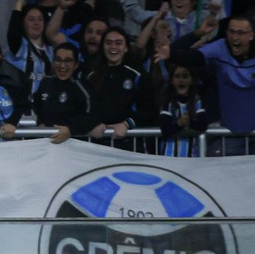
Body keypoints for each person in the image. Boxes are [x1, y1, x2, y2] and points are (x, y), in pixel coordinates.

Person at [166, 13, 255, 156]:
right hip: (229, 135)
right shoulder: (219, 49)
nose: (235, 37)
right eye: (231, 32)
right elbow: (174, 53)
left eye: (241, 33)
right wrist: (198, 33)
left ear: (252, 35)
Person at [86, 26, 155, 150]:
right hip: (98, 146)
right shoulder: (91, 76)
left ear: (126, 48)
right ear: (102, 46)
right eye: (108, 43)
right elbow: (85, 107)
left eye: (118, 43)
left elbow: (149, 109)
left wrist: (126, 124)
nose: (113, 47)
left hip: (130, 144)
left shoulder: (138, 75)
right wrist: (93, 123)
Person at [32, 42, 99, 143]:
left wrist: (71, 130)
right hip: (47, 146)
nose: (62, 65)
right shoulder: (46, 83)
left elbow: (94, 116)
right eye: (58, 60)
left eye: (68, 61)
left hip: (74, 146)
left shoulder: (81, 87)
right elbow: (38, 106)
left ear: (76, 65)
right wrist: (41, 122)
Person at [7, 0, 54, 104]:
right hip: (20, 109)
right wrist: (19, 3)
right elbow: (13, 32)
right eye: (31, 19)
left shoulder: (51, 50)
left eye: (40, 19)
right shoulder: (19, 46)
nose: (36, 23)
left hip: (44, 110)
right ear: (23, 23)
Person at [157, 62, 207, 157]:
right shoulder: (168, 103)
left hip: (192, 158)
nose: (181, 80)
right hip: (169, 157)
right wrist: (179, 123)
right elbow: (165, 129)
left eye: (185, 76)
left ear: (191, 80)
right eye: (177, 76)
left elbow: (203, 125)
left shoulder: (197, 101)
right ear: (172, 81)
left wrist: (190, 122)